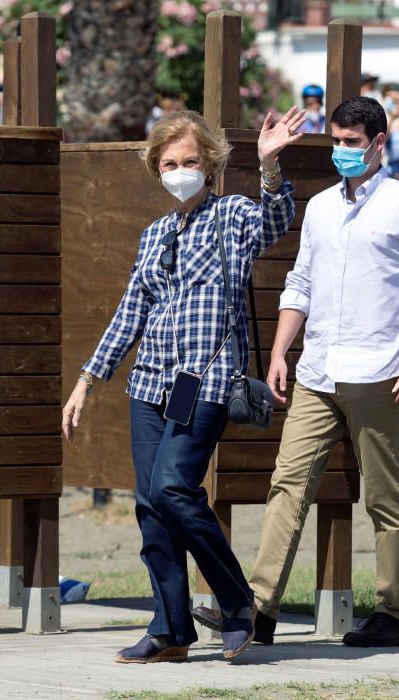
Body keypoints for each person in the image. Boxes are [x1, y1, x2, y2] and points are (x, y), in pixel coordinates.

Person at [62, 106, 305, 663]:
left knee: (174, 486)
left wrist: (269, 167)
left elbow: (276, 221)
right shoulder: (154, 235)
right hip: (150, 383)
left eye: (190, 160)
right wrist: (86, 381)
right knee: (151, 505)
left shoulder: (235, 216)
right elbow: (130, 313)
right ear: (157, 168)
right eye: (169, 162)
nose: (179, 170)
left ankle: (237, 600)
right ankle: (171, 628)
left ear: (211, 163)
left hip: (209, 378)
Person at [193, 96, 399, 647]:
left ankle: (393, 612)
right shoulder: (321, 206)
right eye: (337, 142)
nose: (343, 152)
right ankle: (258, 609)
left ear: (379, 141)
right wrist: (279, 352)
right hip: (317, 368)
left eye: (352, 143)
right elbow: (299, 283)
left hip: (381, 370)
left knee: (383, 494)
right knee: (287, 483)